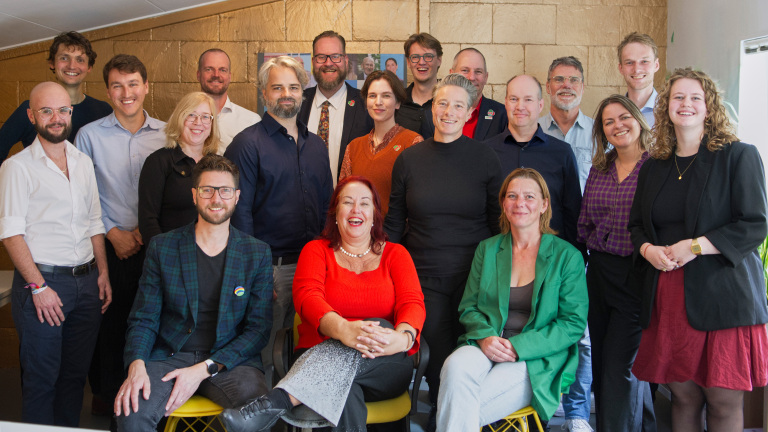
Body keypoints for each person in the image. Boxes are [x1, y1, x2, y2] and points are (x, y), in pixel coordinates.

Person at [220, 176, 425, 432]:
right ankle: (277, 401)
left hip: (384, 361)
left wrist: (403, 338)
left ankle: (277, 400)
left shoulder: (396, 254)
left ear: (374, 215)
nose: (355, 210)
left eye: (364, 203)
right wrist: (344, 330)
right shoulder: (316, 251)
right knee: (343, 391)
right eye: (347, 203)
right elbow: (307, 298)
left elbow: (413, 302)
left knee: (378, 325)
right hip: (319, 356)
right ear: (336, 214)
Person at [629, 68, 768, 431]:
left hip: (723, 296)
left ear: (710, 107)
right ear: (666, 107)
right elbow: (637, 226)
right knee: (684, 397)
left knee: (722, 401)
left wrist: (695, 247)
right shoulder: (653, 167)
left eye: (695, 97)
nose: (686, 104)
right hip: (669, 296)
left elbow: (755, 224)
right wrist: (648, 250)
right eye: (678, 97)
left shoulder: (739, 156)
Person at [115, 154, 273, 432]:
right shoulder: (163, 248)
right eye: (207, 190)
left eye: (224, 191)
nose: (216, 198)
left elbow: (258, 330)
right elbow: (144, 318)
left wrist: (204, 369)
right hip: (169, 355)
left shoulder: (256, 253)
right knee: (132, 412)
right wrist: (137, 363)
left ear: (236, 197)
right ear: (194, 195)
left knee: (258, 411)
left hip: (230, 362)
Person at [385, 73, 502, 431]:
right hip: (424, 274)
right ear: (431, 107)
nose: (448, 111)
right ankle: (441, 413)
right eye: (442, 103)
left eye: (458, 106)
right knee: (436, 348)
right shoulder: (409, 159)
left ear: (469, 113)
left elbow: (498, 222)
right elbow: (394, 222)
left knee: (469, 349)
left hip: (476, 276)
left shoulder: (486, 157)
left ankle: (470, 415)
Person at [437, 168, 588, 432]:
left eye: (529, 196)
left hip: (534, 357)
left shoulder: (567, 256)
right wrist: (485, 338)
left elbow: (572, 324)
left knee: (461, 405)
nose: (520, 203)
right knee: (454, 367)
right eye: (512, 196)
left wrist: (517, 347)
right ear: (503, 204)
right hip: (487, 343)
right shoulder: (488, 248)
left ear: (544, 205)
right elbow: (469, 307)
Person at [0, 81, 111, 426]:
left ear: (71, 114)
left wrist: (103, 273)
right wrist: (38, 286)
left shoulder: (82, 162)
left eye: (63, 110)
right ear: (32, 116)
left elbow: (95, 222)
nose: (56, 118)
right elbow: (10, 233)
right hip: (43, 285)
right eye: (46, 111)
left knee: (74, 379)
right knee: (41, 380)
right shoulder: (17, 167)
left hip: (87, 283)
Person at [224, 55, 333, 381]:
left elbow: (328, 204)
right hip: (270, 269)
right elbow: (238, 214)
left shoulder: (316, 145)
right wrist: (257, 272)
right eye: (277, 87)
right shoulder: (247, 145)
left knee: (306, 353)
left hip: (312, 268)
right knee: (264, 354)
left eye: (293, 87)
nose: (286, 93)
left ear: (303, 91)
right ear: (263, 93)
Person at [75, 53, 166, 415]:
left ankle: (149, 401)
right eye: (117, 86)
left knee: (154, 322)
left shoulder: (166, 133)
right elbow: (82, 194)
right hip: (108, 246)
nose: (126, 93)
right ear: (108, 91)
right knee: (111, 325)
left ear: (146, 87)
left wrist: (145, 231)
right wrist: (112, 232)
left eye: (133, 84)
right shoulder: (88, 136)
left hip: (154, 244)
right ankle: (113, 400)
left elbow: (171, 191)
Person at [578, 95, 656, 432]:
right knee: (604, 363)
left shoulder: (657, 165)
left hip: (638, 273)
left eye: (624, 117)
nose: (617, 126)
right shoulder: (600, 167)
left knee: (621, 366)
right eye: (608, 122)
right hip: (600, 273)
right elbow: (585, 222)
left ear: (638, 119)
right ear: (602, 131)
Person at [485, 75, 583, 252]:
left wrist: (576, 257)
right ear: (506, 103)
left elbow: (573, 212)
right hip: (498, 256)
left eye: (528, 99)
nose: (520, 106)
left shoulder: (562, 153)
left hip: (551, 257)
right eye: (514, 99)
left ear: (540, 105)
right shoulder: (486, 152)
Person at [0, 31, 112, 162]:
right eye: (64, 58)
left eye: (79, 59)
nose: (72, 65)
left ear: (89, 67)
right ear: (52, 63)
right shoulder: (32, 108)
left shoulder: (103, 111)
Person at [138, 91, 220, 244]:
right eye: (191, 115)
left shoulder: (219, 165)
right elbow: (148, 220)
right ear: (179, 119)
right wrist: (164, 257)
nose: (198, 122)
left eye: (205, 117)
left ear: (211, 124)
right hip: (171, 257)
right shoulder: (158, 162)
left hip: (213, 257)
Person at [339, 70, 423, 216]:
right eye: (372, 96)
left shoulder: (412, 142)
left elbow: (417, 202)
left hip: (397, 236)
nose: (378, 102)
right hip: (358, 234)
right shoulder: (353, 147)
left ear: (397, 103)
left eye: (386, 96)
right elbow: (343, 197)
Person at [298, 31, 373, 185]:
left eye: (335, 56)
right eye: (321, 57)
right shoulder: (297, 103)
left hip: (349, 203)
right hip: (300, 204)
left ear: (345, 60)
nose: (328, 63)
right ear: (313, 62)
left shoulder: (366, 105)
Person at [539, 56, 594, 191]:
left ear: (582, 87)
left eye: (574, 80)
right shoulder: (534, 130)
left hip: (586, 211)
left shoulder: (598, 132)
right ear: (547, 87)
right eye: (559, 79)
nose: (567, 85)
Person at [197, 48, 261, 150]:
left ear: (229, 76)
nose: (216, 75)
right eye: (209, 69)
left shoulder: (251, 121)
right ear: (198, 75)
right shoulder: (181, 119)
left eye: (222, 70)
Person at [448, 48, 508, 141]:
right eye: (465, 70)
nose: (472, 77)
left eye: (478, 71)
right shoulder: (433, 114)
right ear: (451, 74)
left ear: (486, 77)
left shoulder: (502, 115)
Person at [396, 33, 443, 138]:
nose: (421, 62)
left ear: (439, 60)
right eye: (415, 57)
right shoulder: (396, 102)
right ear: (408, 62)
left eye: (428, 57)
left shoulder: (450, 102)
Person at [617, 32, 660, 127]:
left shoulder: (670, 112)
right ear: (621, 68)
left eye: (644, 61)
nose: (636, 69)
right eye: (629, 62)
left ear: (656, 65)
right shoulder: (613, 114)